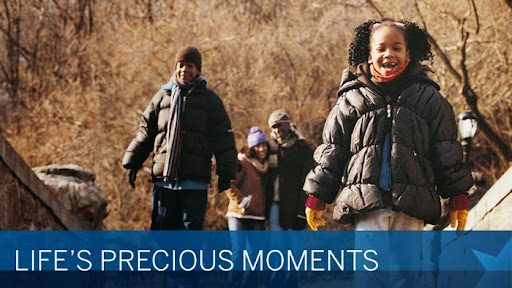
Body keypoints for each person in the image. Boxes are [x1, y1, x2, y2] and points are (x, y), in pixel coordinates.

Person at [302, 19, 474, 287]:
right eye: (381, 48)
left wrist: (457, 195)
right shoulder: (351, 99)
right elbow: (332, 148)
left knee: (406, 277)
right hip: (367, 202)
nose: (388, 54)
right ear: (369, 55)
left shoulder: (429, 99)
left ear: (408, 53)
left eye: (397, 47)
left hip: (412, 205)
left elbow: (446, 150)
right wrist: (317, 195)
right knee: (370, 276)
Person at [122, 45, 237, 230]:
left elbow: (223, 137)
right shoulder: (161, 97)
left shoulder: (210, 100)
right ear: (175, 68)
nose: (185, 70)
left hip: (194, 181)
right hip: (164, 180)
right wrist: (133, 161)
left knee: (190, 235)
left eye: (190, 66)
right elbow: (146, 132)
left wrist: (227, 171)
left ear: (198, 70)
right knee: (162, 233)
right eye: (181, 65)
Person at [225, 127, 269, 288]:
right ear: (251, 148)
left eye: (264, 145)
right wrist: (242, 201)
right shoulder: (243, 163)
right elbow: (228, 184)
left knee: (255, 256)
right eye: (258, 146)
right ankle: (232, 285)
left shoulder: (265, 166)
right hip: (238, 215)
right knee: (238, 252)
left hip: (257, 217)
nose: (262, 149)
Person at [267, 109, 313, 230]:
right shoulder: (269, 147)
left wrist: (302, 212)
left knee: (294, 245)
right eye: (274, 127)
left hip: (295, 204)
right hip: (274, 203)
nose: (277, 130)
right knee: (277, 244)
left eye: (280, 125)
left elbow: (307, 180)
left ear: (288, 124)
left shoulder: (302, 148)